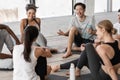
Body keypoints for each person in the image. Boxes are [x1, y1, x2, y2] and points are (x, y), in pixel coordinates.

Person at [52, 20, 120, 80]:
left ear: (103, 30)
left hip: (101, 77)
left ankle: (76, 70)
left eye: (97, 30)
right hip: (108, 73)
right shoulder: (118, 42)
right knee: (86, 54)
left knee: (88, 46)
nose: (96, 33)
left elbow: (110, 69)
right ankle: (65, 67)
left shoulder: (101, 48)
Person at [20, 4, 56, 80]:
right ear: (26, 13)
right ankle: (46, 49)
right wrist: (21, 46)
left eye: (33, 13)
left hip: (39, 40)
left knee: (38, 34)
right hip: (30, 42)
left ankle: (45, 48)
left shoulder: (38, 20)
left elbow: (39, 34)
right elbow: (23, 35)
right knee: (37, 46)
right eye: (29, 13)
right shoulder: (23, 21)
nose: (31, 15)